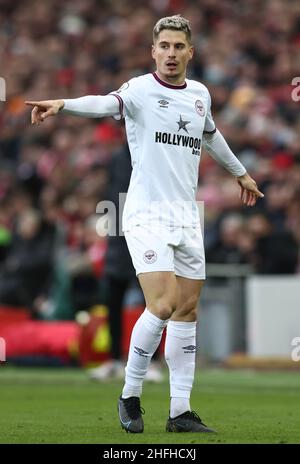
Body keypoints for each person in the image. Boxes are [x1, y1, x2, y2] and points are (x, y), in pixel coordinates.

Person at [26, 15, 264, 434]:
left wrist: (240, 172)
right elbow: (105, 102)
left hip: (187, 215)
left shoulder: (200, 95)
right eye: (164, 46)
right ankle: (130, 394)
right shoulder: (138, 90)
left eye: (178, 47)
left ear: (190, 52)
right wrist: (63, 104)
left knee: (187, 310)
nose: (171, 54)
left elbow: (211, 135)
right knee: (163, 303)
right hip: (145, 213)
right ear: (153, 51)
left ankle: (180, 412)